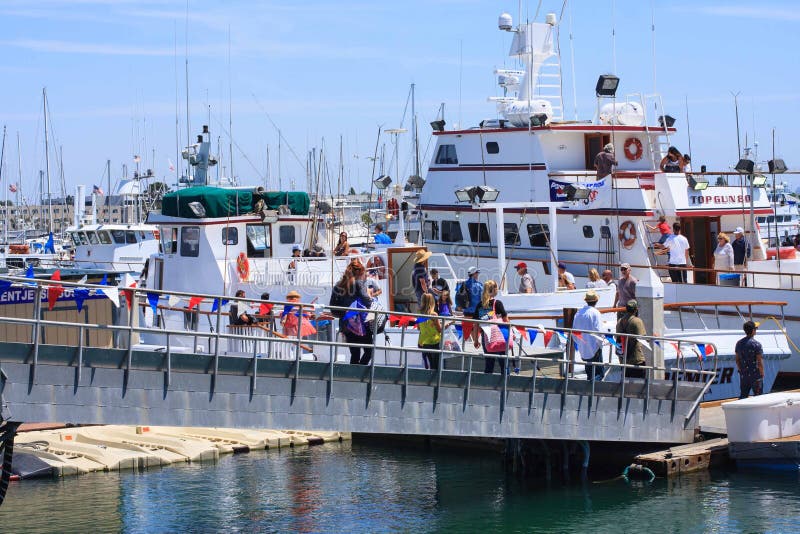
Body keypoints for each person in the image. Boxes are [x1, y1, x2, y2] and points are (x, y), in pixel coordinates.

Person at [330, 260, 374, 365]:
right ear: (360, 272)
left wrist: (346, 315)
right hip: (362, 325)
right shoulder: (359, 283)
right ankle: (360, 375)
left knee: (354, 354)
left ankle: (354, 376)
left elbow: (333, 309)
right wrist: (370, 296)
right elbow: (367, 301)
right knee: (369, 351)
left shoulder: (338, 285)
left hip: (346, 326)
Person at [474, 280, 509, 375]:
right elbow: (506, 320)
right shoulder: (497, 303)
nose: (497, 290)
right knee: (503, 363)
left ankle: (487, 384)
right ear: (493, 290)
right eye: (496, 288)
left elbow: (476, 324)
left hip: (485, 337)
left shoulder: (479, 305)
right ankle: (506, 384)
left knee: (489, 362)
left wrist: (476, 340)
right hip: (499, 335)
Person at [573, 289, 604, 381]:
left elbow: (574, 332)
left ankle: (588, 392)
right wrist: (601, 344)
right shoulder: (595, 313)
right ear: (596, 301)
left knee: (589, 373)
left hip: (583, 347)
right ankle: (592, 392)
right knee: (599, 374)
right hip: (594, 347)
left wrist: (579, 343)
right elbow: (598, 331)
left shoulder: (578, 313)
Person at [615, 299, 647, 378]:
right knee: (639, 385)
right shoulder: (637, 321)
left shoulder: (620, 321)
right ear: (636, 310)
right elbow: (643, 338)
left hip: (624, 360)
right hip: (636, 359)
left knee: (626, 385)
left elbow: (617, 337)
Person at [735, 320, 764, 398]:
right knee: (758, 397)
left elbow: (737, 360)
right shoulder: (757, 344)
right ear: (753, 331)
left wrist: (741, 370)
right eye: (755, 329)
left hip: (744, 374)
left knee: (743, 395)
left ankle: (741, 409)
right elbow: (759, 362)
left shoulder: (739, 343)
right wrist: (761, 373)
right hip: (755, 375)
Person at [417, 293, 443, 370]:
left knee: (430, 362)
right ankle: (435, 380)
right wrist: (447, 324)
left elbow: (419, 328)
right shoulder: (434, 315)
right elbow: (439, 329)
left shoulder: (419, 313)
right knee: (436, 365)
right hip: (434, 342)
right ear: (432, 302)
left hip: (424, 342)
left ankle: (430, 378)